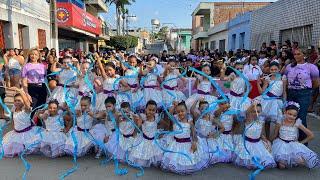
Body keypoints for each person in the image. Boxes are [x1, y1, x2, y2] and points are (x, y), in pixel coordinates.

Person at [161, 101, 208, 174]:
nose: (180, 113)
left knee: (187, 159)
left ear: (186, 111)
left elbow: (193, 133)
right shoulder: (175, 120)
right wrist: (174, 106)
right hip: (176, 143)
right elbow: (169, 114)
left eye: (182, 111)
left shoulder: (189, 121)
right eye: (178, 112)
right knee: (175, 158)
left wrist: (194, 142)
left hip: (187, 143)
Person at [284, 48, 319, 144]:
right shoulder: (289, 66)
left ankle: (302, 143)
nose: (296, 56)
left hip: (304, 94)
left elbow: (316, 83)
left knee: (301, 118)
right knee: (289, 116)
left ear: (304, 55)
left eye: (298, 54)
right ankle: (289, 138)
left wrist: (307, 90)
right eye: (295, 54)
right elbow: (285, 79)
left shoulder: (311, 67)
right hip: (291, 93)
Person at [271, 102, 320, 169]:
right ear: (285, 112)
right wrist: (269, 143)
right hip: (281, 144)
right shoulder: (280, 122)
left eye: (294, 115)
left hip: (293, 144)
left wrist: (301, 143)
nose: (291, 117)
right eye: (289, 114)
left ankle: (290, 161)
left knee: (301, 161)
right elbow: (275, 135)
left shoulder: (297, 123)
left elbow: (311, 135)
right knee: (282, 166)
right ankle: (281, 162)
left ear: (296, 116)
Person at [233, 101, 276, 169]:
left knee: (262, 156)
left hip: (257, 143)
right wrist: (252, 105)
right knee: (249, 158)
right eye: (253, 111)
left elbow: (261, 133)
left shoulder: (261, 121)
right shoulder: (249, 119)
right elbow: (246, 112)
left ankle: (258, 162)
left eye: (258, 112)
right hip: (247, 143)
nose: (256, 113)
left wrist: (265, 139)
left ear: (261, 112)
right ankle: (250, 162)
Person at [2, 88, 41, 157]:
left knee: (26, 147)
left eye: (19, 100)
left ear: (23, 102)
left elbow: (27, 104)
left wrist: (21, 91)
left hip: (27, 133)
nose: (17, 102)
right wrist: (14, 127)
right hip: (17, 133)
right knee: (9, 147)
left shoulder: (26, 111)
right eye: (15, 101)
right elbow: (13, 119)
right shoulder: (14, 109)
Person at [128, 100, 163, 167]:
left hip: (153, 140)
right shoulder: (143, 117)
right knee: (142, 158)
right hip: (144, 140)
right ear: (146, 109)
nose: (151, 112)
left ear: (156, 111)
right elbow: (139, 127)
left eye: (153, 110)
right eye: (149, 110)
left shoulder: (156, 117)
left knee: (155, 153)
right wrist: (138, 122)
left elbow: (163, 124)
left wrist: (160, 132)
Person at [191, 97, 224, 165]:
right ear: (199, 109)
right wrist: (197, 100)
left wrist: (214, 134)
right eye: (202, 108)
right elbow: (191, 110)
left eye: (207, 108)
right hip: (199, 139)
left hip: (208, 140)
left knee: (210, 154)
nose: (205, 110)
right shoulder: (198, 116)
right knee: (199, 155)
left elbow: (222, 128)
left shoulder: (211, 118)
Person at [22, 49, 47, 117]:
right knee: (34, 107)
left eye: (36, 54)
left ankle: (40, 124)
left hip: (42, 88)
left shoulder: (42, 66)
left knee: (42, 107)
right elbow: (24, 81)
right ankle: (32, 124)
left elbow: (45, 78)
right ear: (29, 55)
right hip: (32, 88)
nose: (33, 56)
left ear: (39, 56)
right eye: (32, 54)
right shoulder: (26, 66)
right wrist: (27, 93)